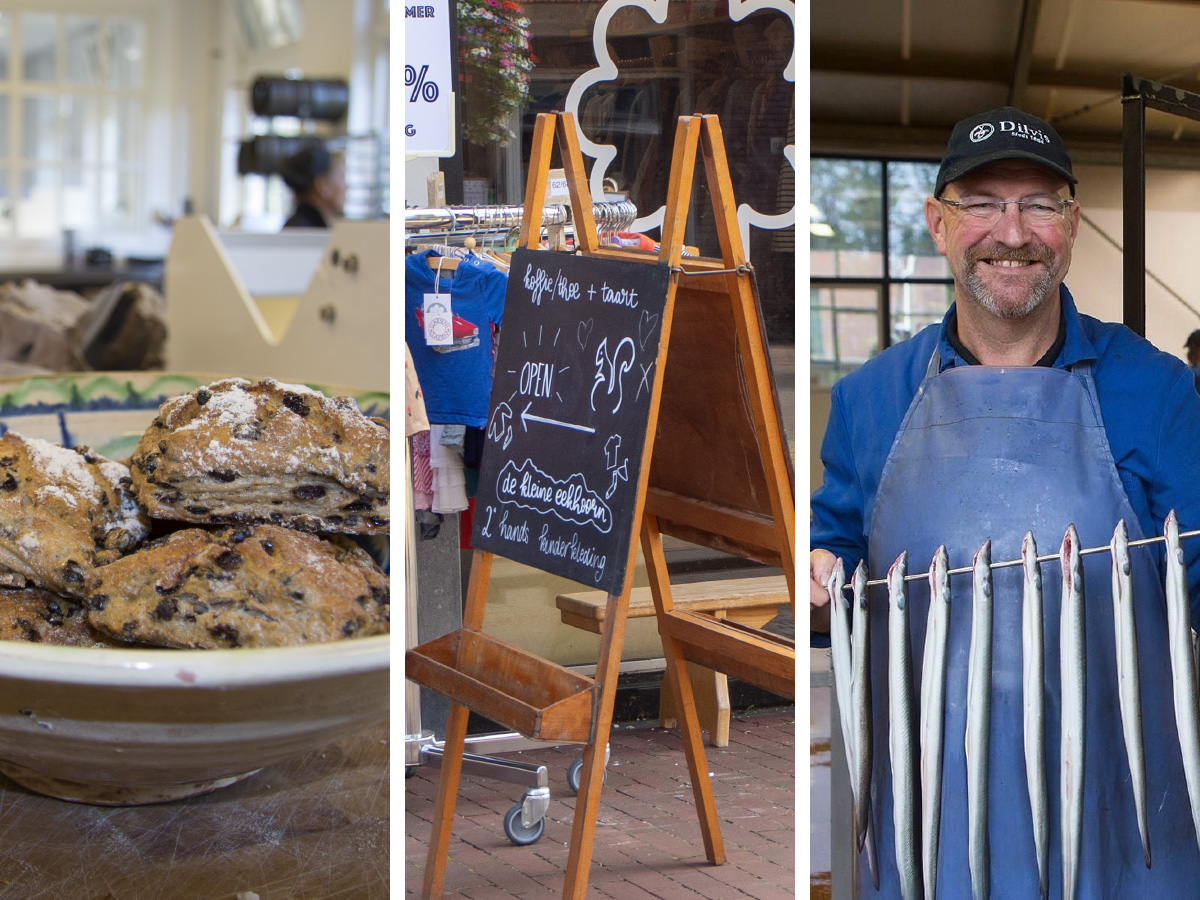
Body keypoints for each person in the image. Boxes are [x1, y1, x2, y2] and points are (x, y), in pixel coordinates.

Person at [810, 106, 1200, 897]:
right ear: (938, 223)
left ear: (1074, 222)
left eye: (1039, 204)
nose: (1011, 231)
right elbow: (838, 544)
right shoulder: (869, 400)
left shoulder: (1156, 390)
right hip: (932, 827)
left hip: (1126, 826)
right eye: (983, 203)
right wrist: (823, 570)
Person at [279, 144, 346, 228]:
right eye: (342, 177)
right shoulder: (304, 232)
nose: (346, 186)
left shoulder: (309, 227)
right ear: (323, 185)